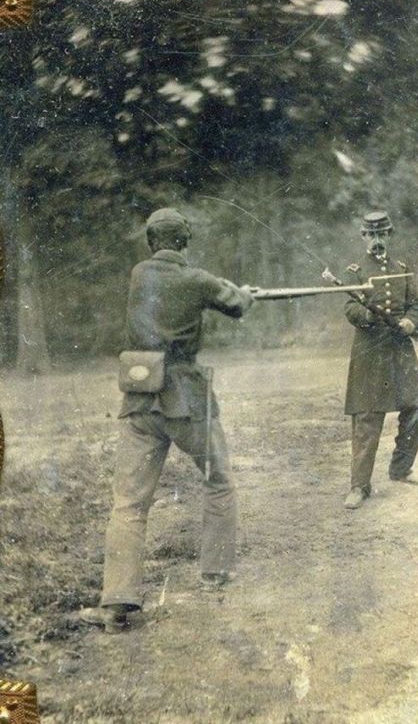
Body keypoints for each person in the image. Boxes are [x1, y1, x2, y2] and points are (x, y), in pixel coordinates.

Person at [80, 208, 253, 632]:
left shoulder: (140, 273)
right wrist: (245, 292)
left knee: (129, 503)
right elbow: (235, 304)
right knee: (219, 480)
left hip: (139, 398)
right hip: (187, 400)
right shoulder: (196, 279)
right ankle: (216, 573)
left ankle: (118, 603)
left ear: (151, 242)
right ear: (186, 241)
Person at [343, 211, 418, 510]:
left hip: (400, 350)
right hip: (370, 353)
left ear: (389, 235)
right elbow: (349, 309)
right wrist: (368, 315)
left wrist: (410, 322)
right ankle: (359, 486)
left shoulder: (401, 268)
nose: (377, 240)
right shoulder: (355, 271)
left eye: (382, 234)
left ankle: (401, 469)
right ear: (363, 236)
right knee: (368, 418)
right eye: (371, 235)